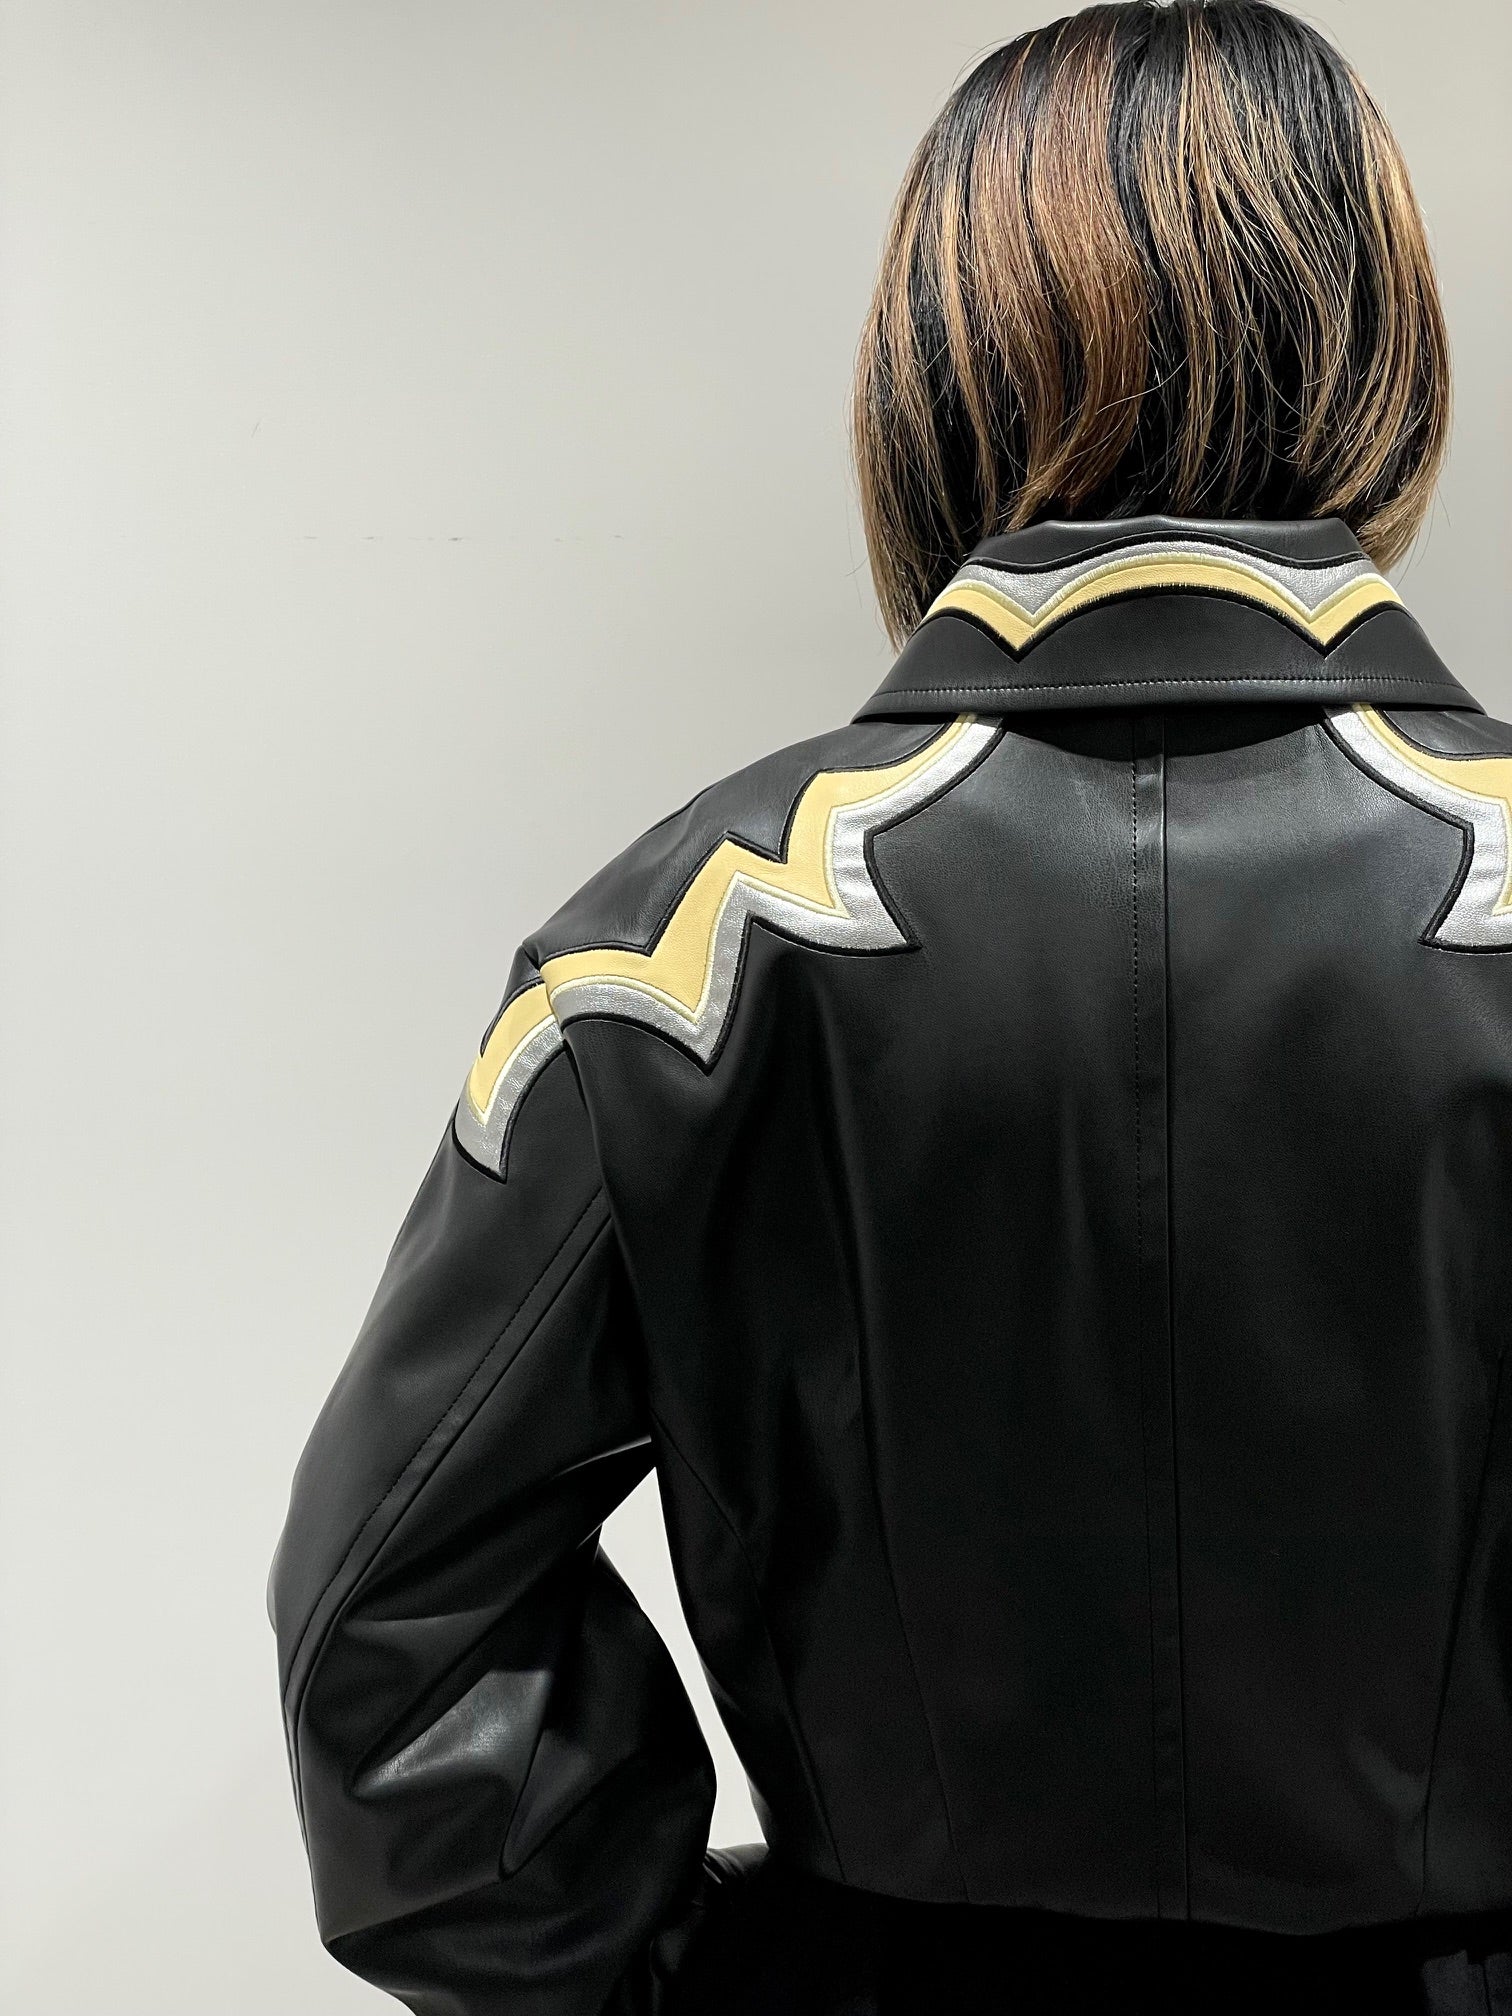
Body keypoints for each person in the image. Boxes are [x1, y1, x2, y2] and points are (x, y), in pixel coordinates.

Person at [269, 3, 1512, 2010]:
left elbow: (391, 1658)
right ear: (1382, 349)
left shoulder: (682, 952)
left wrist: (710, 1975)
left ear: (939, 363)